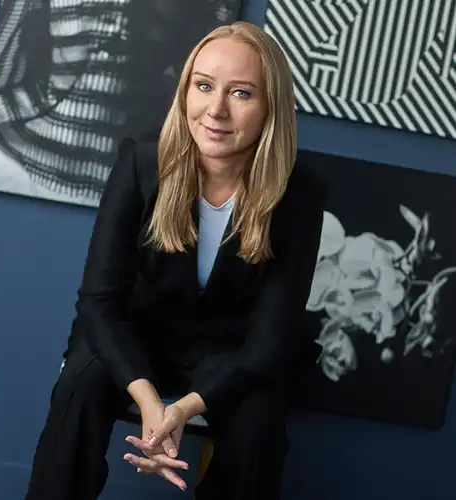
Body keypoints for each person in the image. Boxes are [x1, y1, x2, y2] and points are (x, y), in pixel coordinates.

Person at [24, 20, 324, 500]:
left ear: (271, 107)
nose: (216, 110)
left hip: (230, 351)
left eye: (241, 93)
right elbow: (98, 303)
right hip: (138, 335)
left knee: (259, 417)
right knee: (81, 381)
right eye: (203, 86)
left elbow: (270, 340)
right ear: (185, 90)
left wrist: (182, 410)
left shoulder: (300, 195)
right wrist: (149, 402)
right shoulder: (141, 163)